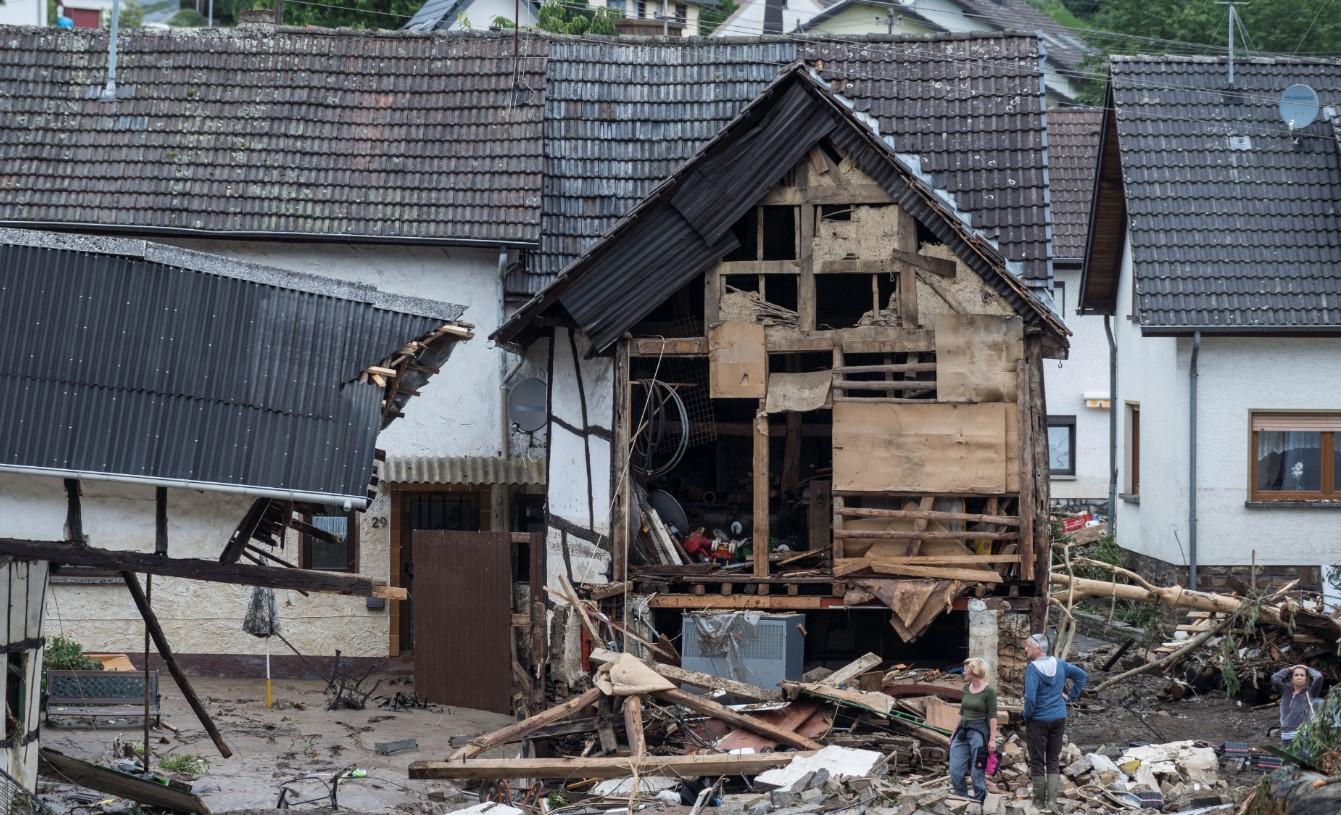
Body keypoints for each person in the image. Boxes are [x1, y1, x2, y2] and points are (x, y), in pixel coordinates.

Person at [1022, 633, 1087, 810]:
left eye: (1028, 646)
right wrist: (1070, 697)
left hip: (1038, 720)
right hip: (1059, 718)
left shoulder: (1033, 669)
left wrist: (1026, 716)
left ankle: (1038, 801)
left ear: (1039, 648)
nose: (1025, 648)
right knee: (1052, 759)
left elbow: (1030, 698)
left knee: (1037, 760)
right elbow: (1081, 676)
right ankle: (1051, 802)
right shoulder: (1060, 664)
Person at [948, 657, 998, 801]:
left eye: (966, 670)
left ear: (974, 671)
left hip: (979, 732)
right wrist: (953, 734)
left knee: (977, 771)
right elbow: (962, 712)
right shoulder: (966, 688)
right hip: (963, 731)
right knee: (955, 769)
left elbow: (993, 717)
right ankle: (961, 799)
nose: (963, 672)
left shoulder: (989, 691)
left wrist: (992, 739)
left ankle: (979, 801)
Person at [1271, 663, 1323, 746]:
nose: (1299, 677)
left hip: (1303, 735)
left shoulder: (1310, 692)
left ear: (1306, 679)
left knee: (1301, 758)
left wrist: (1308, 668)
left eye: (1302, 675)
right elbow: (1275, 678)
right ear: (1292, 678)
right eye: (1296, 675)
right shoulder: (1286, 691)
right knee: (1288, 758)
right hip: (1285, 735)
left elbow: (1319, 677)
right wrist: (1289, 669)